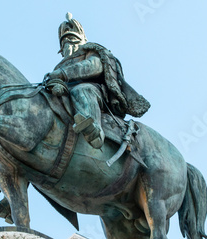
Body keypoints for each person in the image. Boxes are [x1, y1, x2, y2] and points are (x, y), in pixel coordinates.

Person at [44, 12, 150, 149]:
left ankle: (95, 131)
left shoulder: (91, 50)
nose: (68, 46)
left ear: (81, 41)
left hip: (95, 91)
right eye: (65, 44)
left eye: (72, 41)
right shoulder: (60, 65)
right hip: (64, 91)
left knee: (82, 91)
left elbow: (93, 67)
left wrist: (61, 74)